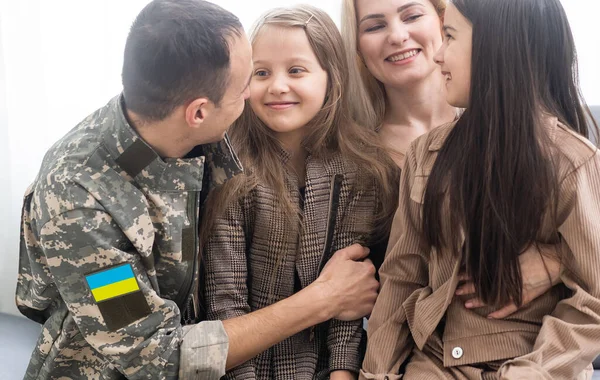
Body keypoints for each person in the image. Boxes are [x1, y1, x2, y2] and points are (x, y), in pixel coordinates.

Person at [15, 1, 379, 379]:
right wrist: (322, 299)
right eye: (246, 83)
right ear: (199, 112)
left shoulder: (176, 123)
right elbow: (158, 357)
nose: (256, 95)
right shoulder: (80, 209)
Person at [360, 0, 600, 378]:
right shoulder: (426, 154)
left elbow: (594, 300)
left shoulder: (572, 161)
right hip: (434, 364)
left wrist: (531, 373)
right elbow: (401, 278)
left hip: (530, 364)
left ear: (498, 46)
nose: (438, 55)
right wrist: (377, 374)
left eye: (450, 36)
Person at [201, 5, 397, 380]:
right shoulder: (229, 171)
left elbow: (348, 307)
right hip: (246, 367)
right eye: (261, 73)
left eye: (296, 70)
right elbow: (226, 305)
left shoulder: (361, 172)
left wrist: (342, 373)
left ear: (331, 77)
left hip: (323, 368)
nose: (277, 86)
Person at [341, 0, 563, 319]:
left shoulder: (528, 128)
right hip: (415, 357)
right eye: (375, 26)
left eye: (412, 15)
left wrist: (558, 261)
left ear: (444, 22)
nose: (397, 35)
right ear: (357, 47)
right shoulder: (347, 157)